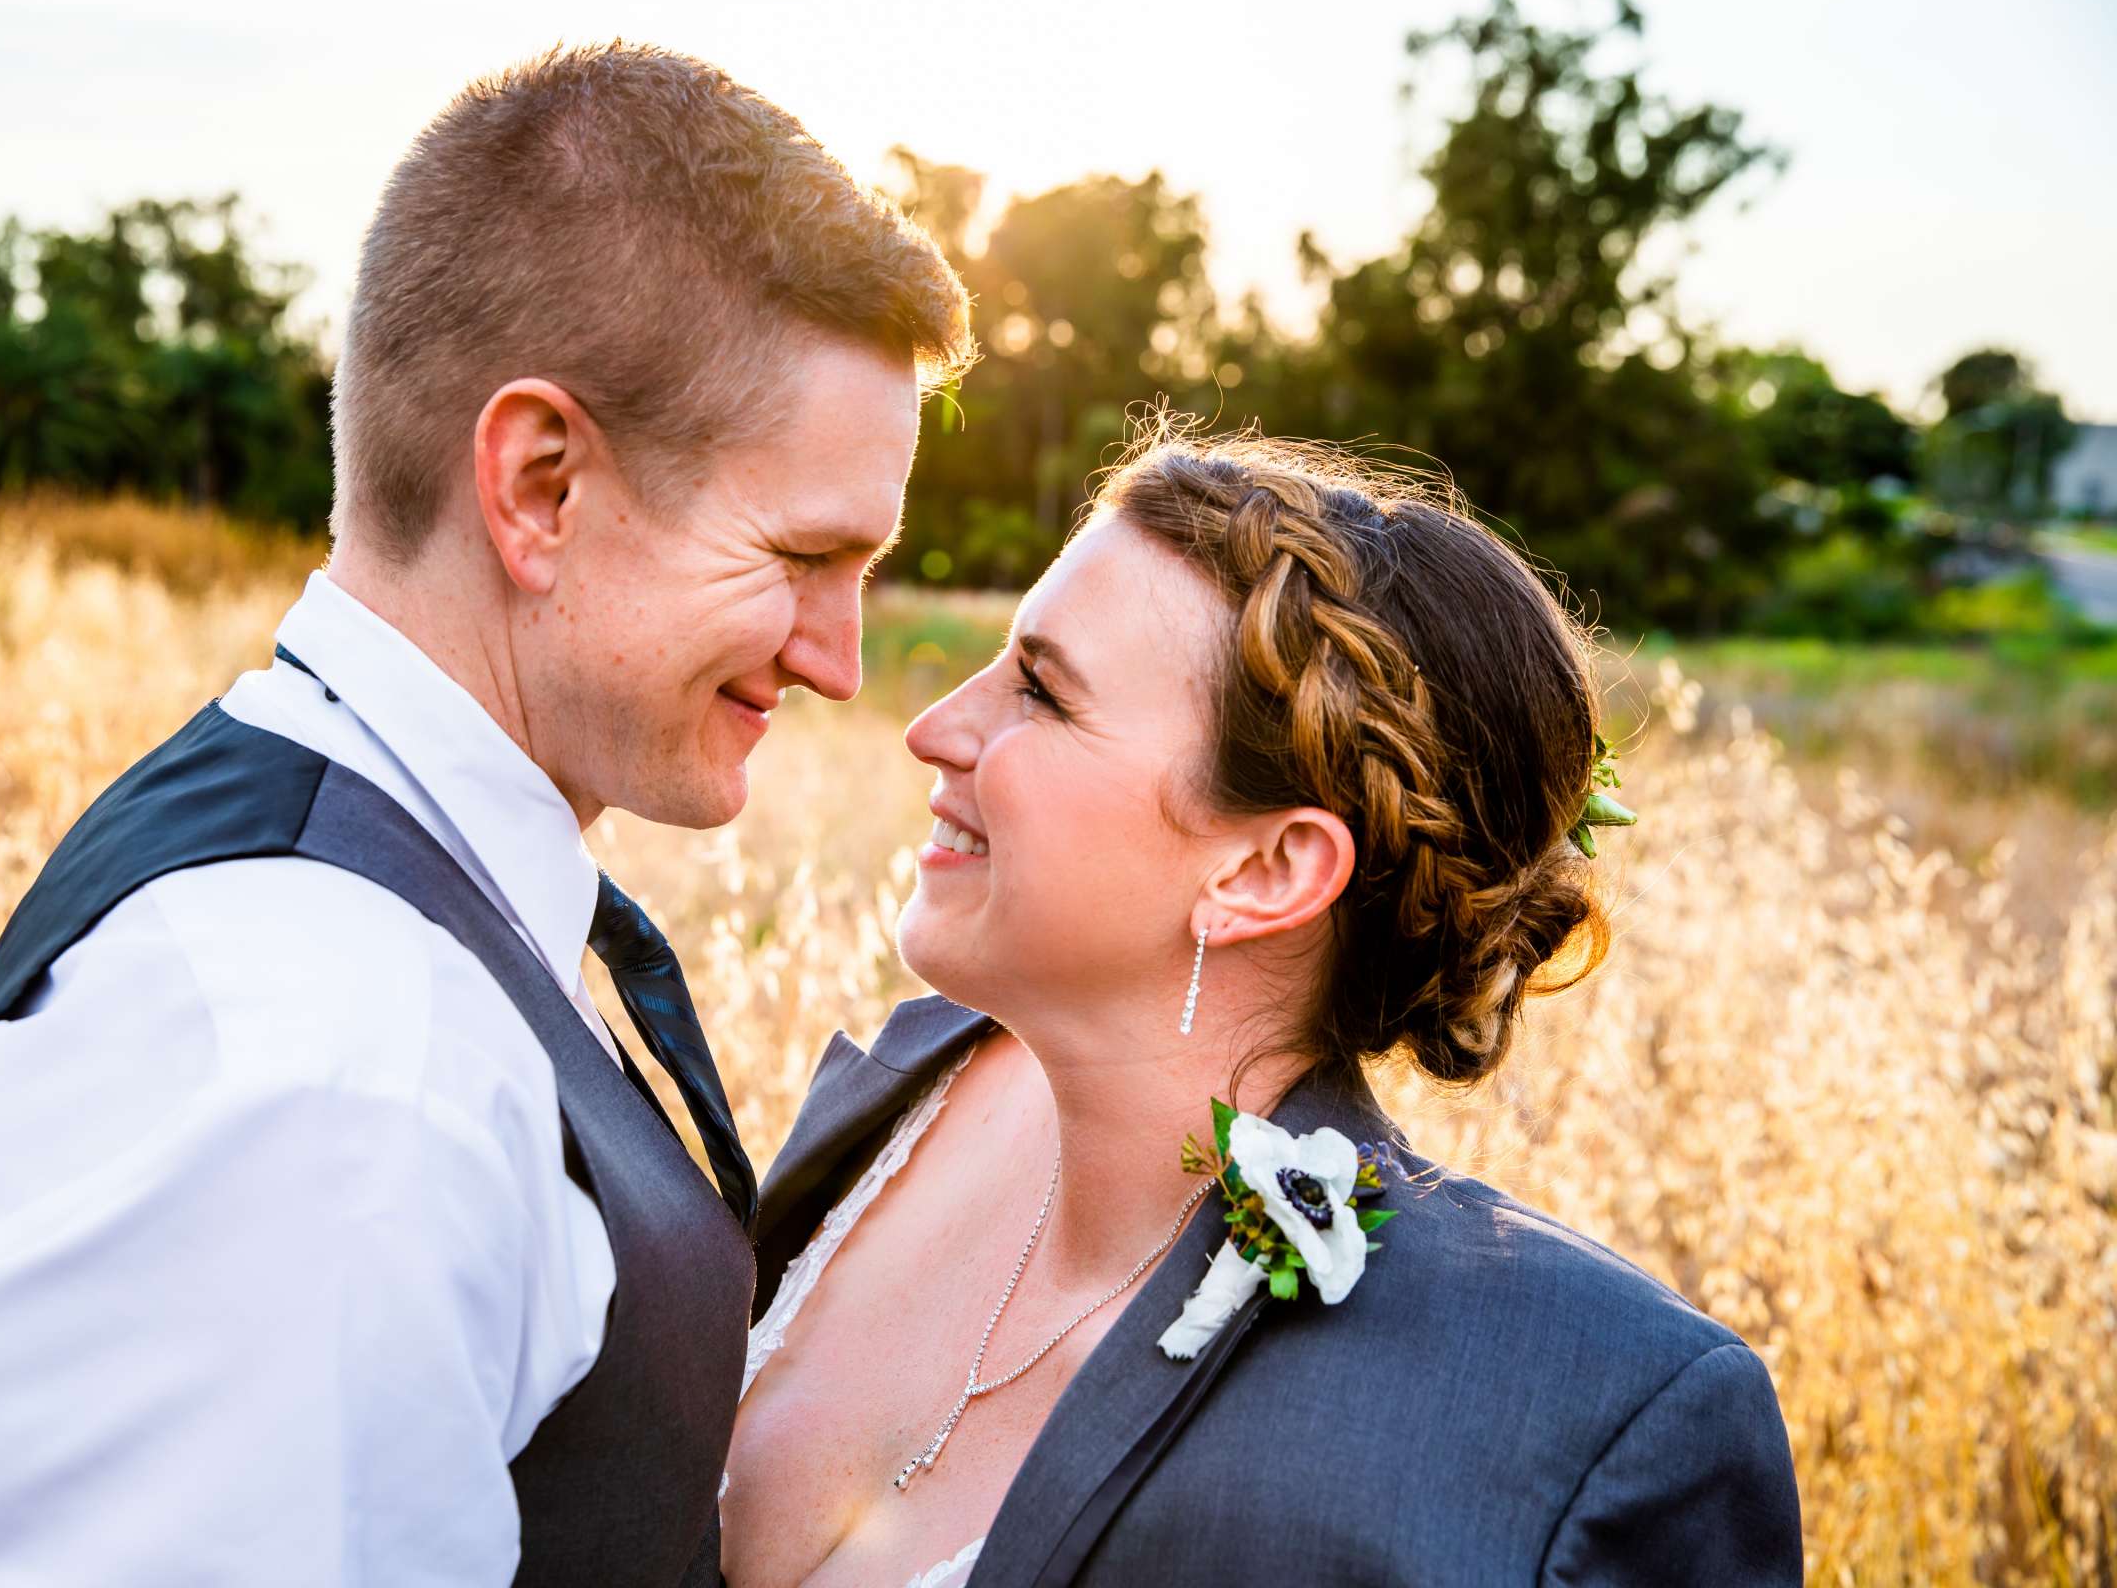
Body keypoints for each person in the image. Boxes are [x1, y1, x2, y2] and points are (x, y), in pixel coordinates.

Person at [0, 43, 970, 1586]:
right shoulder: (317, 1065)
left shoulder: (395, 903)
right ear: (538, 486)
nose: (843, 662)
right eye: (801, 556)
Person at [724, 428, 1803, 1587]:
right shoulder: (909, 1083)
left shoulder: (1589, 1421)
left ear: (1266, 873)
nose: (931, 727)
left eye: (1041, 690)